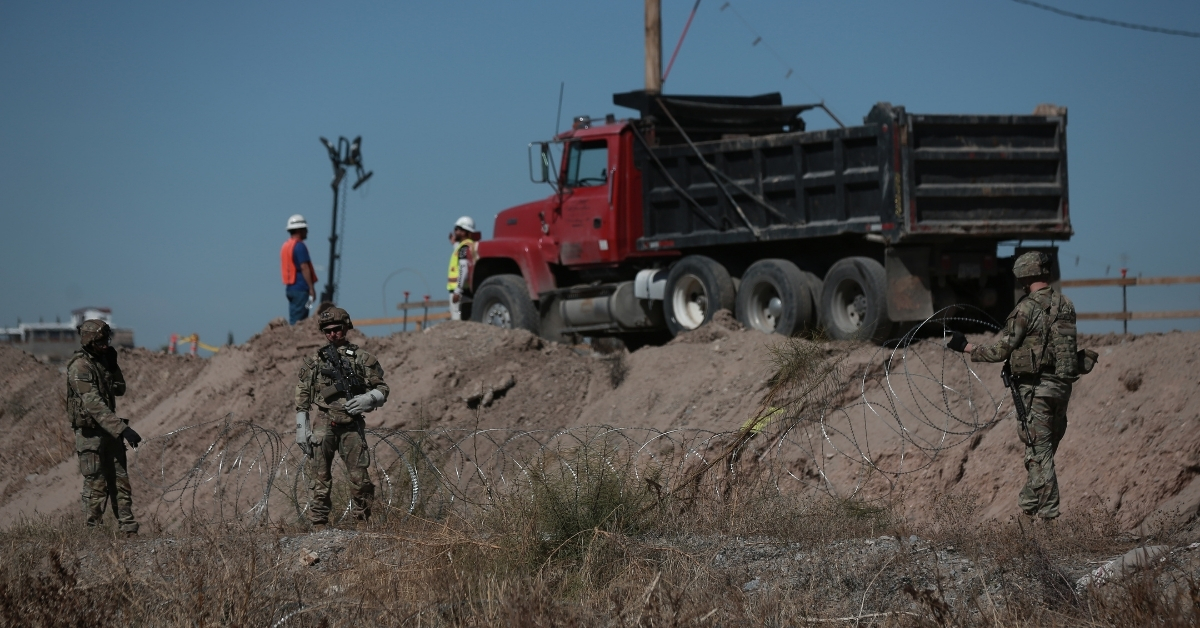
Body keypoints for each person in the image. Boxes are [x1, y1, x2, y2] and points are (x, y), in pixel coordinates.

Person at [946, 251, 1078, 521]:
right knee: (1043, 453)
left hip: (1037, 391)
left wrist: (965, 346)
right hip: (1062, 388)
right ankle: (1028, 508)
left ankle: (1049, 520)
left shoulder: (1026, 308)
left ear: (1023, 276)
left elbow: (1000, 350)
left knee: (1039, 455)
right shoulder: (1066, 304)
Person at [294, 307, 389, 526]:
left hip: (351, 423)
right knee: (320, 477)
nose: (332, 334)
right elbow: (303, 393)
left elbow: (382, 388)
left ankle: (362, 520)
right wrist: (302, 426)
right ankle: (319, 523)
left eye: (337, 329)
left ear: (346, 328)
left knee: (360, 478)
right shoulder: (315, 361)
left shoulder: (363, 359)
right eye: (327, 331)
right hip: (324, 421)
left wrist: (368, 399)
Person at [66, 319, 142, 535]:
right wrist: (123, 429)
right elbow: (94, 405)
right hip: (91, 436)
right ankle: (94, 533)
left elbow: (119, 389)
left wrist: (113, 367)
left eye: (106, 341)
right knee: (96, 485)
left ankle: (127, 527)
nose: (105, 345)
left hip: (109, 432)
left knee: (120, 481)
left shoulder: (102, 362)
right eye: (100, 342)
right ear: (89, 342)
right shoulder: (80, 367)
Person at [281, 214, 319, 325]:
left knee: (298, 317)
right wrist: (311, 288)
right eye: (305, 229)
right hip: (301, 290)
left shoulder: (286, 246)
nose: (307, 231)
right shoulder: (299, 246)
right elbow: (304, 267)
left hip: (291, 289)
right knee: (299, 322)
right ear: (299, 230)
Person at [447, 216, 477, 321]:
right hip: (465, 290)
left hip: (459, 291)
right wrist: (454, 243)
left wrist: (457, 291)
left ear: (464, 232)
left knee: (457, 320)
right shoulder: (467, 245)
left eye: (457, 229)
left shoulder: (464, 247)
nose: (455, 231)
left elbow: (463, 269)